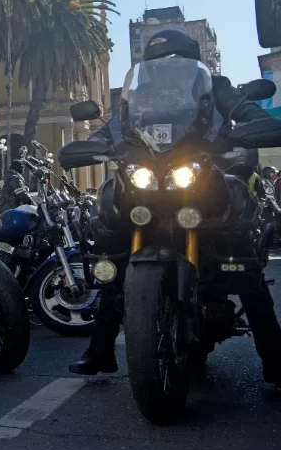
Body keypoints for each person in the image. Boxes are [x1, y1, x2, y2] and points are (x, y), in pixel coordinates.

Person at [69, 29, 281, 385]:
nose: (167, 67)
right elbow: (114, 129)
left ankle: (274, 358)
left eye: (175, 60)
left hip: (199, 174)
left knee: (241, 261)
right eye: (159, 61)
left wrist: (253, 122)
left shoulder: (215, 86)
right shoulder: (139, 93)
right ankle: (101, 349)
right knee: (115, 241)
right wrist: (94, 144)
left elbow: (241, 109)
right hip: (149, 178)